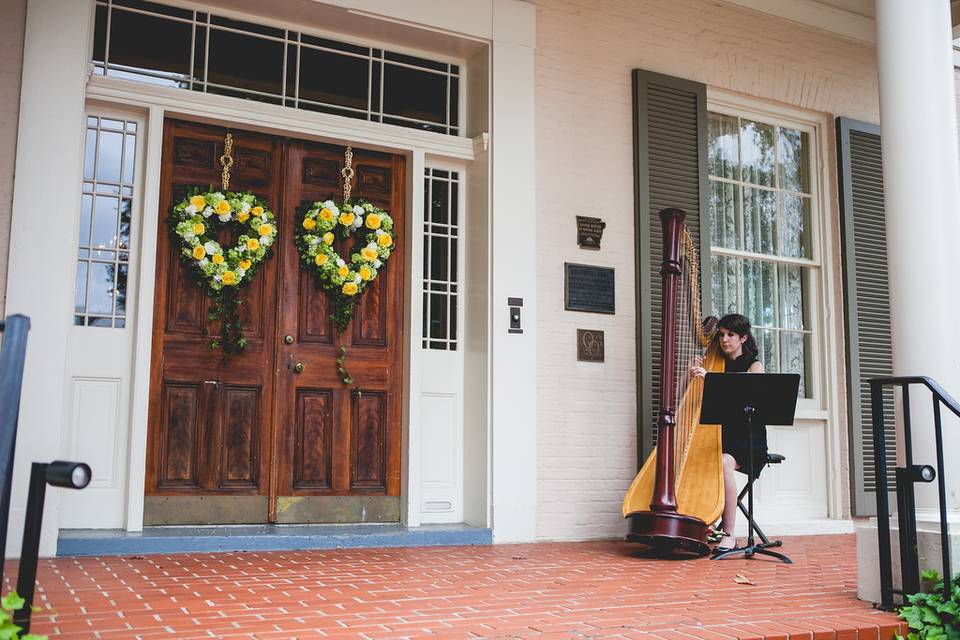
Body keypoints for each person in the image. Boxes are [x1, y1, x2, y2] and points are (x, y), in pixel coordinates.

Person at [690, 313, 764, 552]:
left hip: (748, 440)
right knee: (697, 461)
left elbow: (753, 396)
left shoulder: (754, 366)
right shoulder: (714, 363)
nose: (724, 339)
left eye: (730, 335)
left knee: (722, 463)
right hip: (721, 436)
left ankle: (729, 533)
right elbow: (685, 394)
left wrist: (711, 379)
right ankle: (698, 526)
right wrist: (691, 372)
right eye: (721, 335)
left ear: (743, 337)